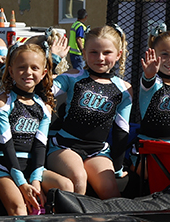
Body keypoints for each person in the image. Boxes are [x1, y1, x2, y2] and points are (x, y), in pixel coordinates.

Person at [46, 24, 132, 199]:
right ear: (84, 53)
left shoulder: (124, 89)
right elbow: (41, 89)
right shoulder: (73, 77)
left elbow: (121, 130)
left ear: (118, 55)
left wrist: (118, 167)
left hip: (98, 150)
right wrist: (53, 59)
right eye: (93, 52)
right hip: (64, 145)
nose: (100, 58)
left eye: (107, 52)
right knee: (79, 179)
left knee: (111, 192)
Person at [0, 41, 72, 215]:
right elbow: (7, 146)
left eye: (34, 68)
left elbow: (40, 145)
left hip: (33, 166)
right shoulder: (3, 102)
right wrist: (22, 183)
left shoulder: (43, 107)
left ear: (43, 73)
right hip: (4, 166)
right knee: (20, 208)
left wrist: (35, 180)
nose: (28, 72)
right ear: (11, 71)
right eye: (21, 68)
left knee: (66, 186)